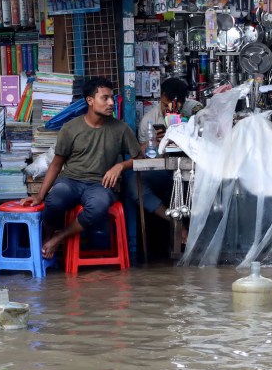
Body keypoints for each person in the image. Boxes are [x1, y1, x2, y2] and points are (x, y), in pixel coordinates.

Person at [20, 77, 142, 258]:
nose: (110, 103)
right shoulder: (70, 128)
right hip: (70, 181)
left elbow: (139, 157)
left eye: (112, 98)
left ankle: (59, 237)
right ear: (90, 101)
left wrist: (120, 166)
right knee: (54, 202)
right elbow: (56, 164)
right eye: (105, 98)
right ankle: (47, 238)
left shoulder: (121, 129)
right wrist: (40, 195)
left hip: (99, 184)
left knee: (98, 206)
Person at [127, 77, 201, 221]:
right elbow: (145, 158)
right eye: (167, 103)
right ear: (161, 97)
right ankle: (172, 221)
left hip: (192, 170)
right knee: (135, 183)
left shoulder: (194, 110)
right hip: (164, 171)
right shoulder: (149, 121)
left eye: (177, 104)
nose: (171, 108)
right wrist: (153, 142)